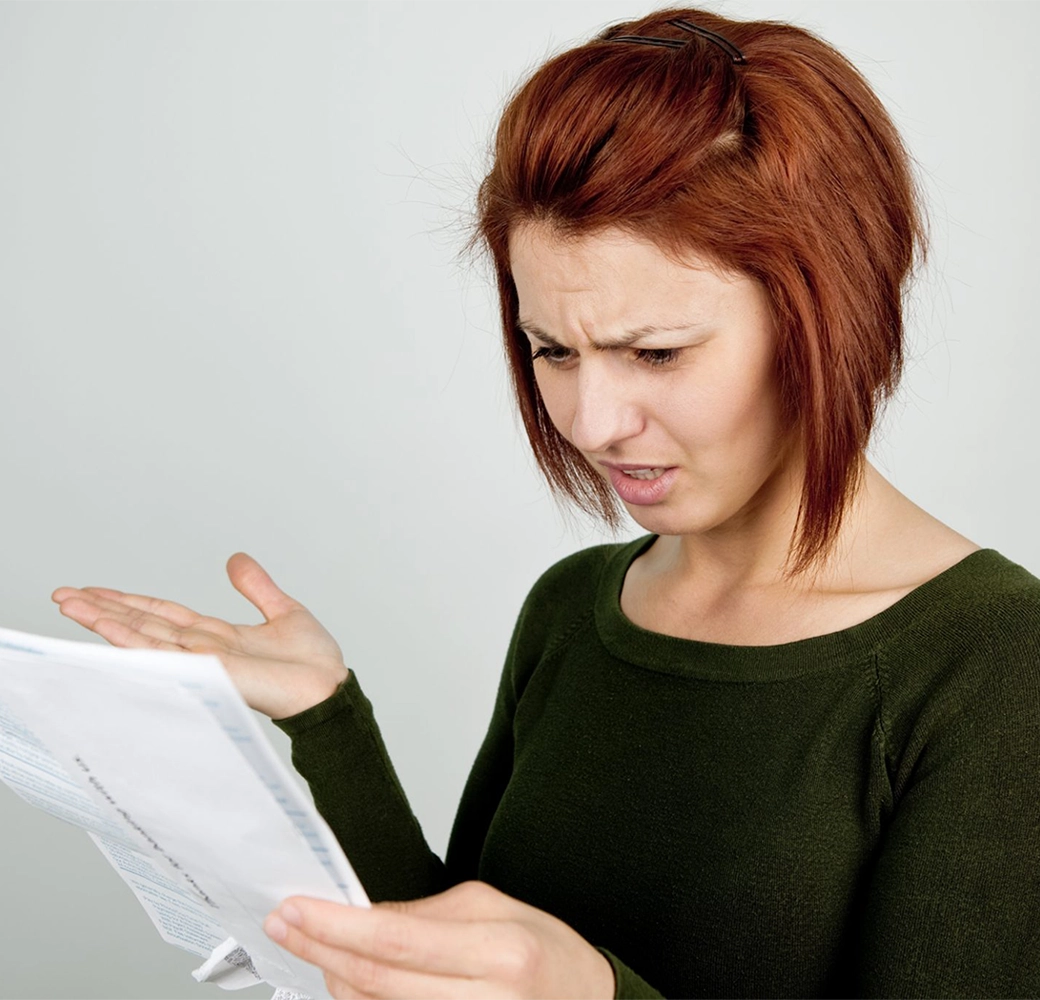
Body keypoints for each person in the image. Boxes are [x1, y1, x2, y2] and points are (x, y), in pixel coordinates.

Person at [52, 8, 1040, 999]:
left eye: (656, 351)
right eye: (551, 350)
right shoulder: (572, 610)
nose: (591, 419)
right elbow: (455, 958)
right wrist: (327, 719)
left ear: (829, 316)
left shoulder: (991, 665)